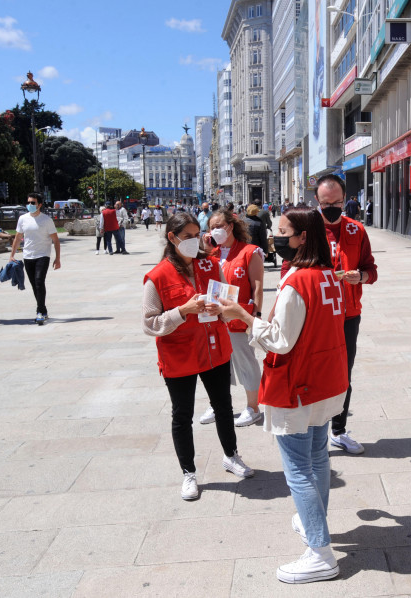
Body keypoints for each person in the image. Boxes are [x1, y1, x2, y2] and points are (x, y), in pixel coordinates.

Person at [215, 207, 348, 584]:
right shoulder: (329, 275)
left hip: (299, 383)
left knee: (298, 470)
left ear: (302, 237)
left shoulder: (297, 282)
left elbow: (280, 340)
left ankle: (320, 552)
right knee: (318, 457)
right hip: (327, 379)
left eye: (282, 232)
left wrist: (242, 314)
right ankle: (314, 523)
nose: (275, 237)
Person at [141, 211, 254, 501]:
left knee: (223, 406)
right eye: (187, 236)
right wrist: (182, 311)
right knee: (182, 415)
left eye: (196, 234)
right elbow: (150, 323)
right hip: (179, 356)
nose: (194, 241)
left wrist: (222, 309)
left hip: (215, 349)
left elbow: (225, 300)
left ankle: (231, 455)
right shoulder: (157, 276)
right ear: (172, 237)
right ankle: (188, 473)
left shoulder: (210, 264)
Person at [315, 174, 377, 454]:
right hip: (316, 315)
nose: (331, 208)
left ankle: (338, 430)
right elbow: (288, 271)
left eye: (337, 202)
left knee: (344, 374)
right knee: (316, 373)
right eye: (326, 203)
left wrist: (360, 276)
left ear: (345, 200)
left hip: (349, 314)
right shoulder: (307, 229)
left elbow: (371, 270)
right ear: (317, 200)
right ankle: (314, 432)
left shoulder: (356, 230)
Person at [199, 207, 265, 427]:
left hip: (238, 316)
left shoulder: (250, 251)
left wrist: (254, 316)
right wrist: (207, 250)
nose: (216, 230)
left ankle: (253, 407)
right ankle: (218, 405)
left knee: (245, 362)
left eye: (219, 226)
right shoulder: (212, 254)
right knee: (215, 365)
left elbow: (257, 286)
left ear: (231, 226)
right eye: (212, 228)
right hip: (213, 318)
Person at [9, 192, 61, 325]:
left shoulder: (46, 220)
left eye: (33, 203)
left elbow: (55, 240)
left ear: (39, 205)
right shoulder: (23, 219)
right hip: (28, 256)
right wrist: (12, 255)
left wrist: (57, 258)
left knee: (39, 281)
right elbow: (18, 237)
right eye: (29, 202)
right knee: (34, 284)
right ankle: (43, 310)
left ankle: (39, 311)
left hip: (43, 255)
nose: (30, 205)